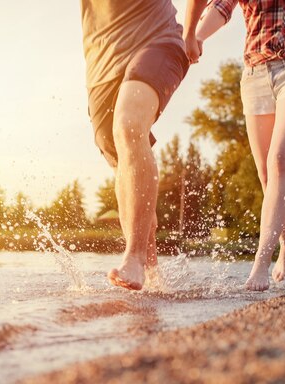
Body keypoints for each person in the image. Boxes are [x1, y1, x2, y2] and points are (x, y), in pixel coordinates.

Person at [184, 0, 285, 291]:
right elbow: (221, 7)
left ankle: (261, 264)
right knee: (265, 173)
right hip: (256, 74)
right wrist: (197, 36)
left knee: (280, 161)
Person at [80, 0, 207, 290]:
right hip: (101, 66)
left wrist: (190, 32)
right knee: (123, 162)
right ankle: (151, 275)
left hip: (158, 40)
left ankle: (134, 256)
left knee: (128, 125)